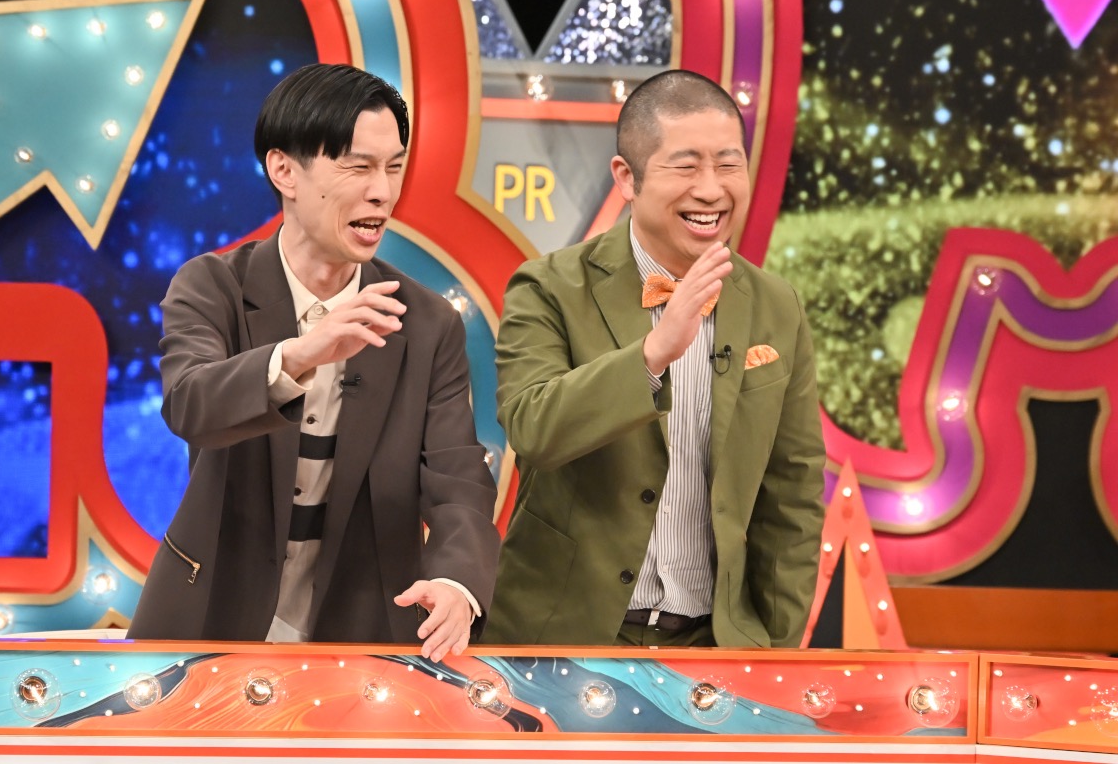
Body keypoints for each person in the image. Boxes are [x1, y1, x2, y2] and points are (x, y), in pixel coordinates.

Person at [128, 63, 500, 662]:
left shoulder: (427, 322)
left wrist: (458, 582)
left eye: (394, 167)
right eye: (357, 167)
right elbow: (190, 402)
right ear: (284, 171)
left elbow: (458, 475)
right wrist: (302, 353)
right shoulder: (213, 286)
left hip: (363, 631)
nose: (382, 192)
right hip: (212, 615)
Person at [481, 70, 826, 648]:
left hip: (716, 643)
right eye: (686, 166)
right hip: (566, 635)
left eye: (729, 164)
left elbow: (792, 489)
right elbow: (533, 428)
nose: (711, 190)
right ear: (627, 177)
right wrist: (652, 354)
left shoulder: (775, 305)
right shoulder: (549, 288)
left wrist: (774, 648)